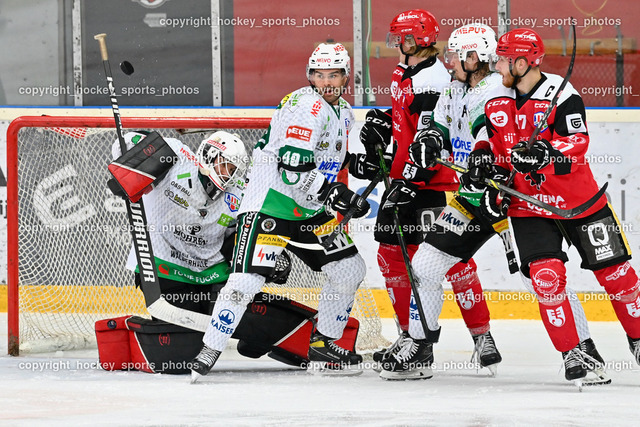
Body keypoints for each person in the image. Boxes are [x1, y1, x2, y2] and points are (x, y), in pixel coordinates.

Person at [409, 27, 639, 385]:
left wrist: (546, 152)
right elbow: (491, 144)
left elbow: (577, 143)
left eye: (502, 59)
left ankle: (638, 341)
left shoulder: (560, 93)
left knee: (620, 280)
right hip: (528, 207)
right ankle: (576, 354)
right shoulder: (495, 96)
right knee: (547, 280)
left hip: (580, 204)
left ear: (523, 61)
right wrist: (486, 165)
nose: (496, 65)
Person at [190, 43, 371, 381]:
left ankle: (323, 343)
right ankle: (210, 348)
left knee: (348, 269)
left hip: (307, 209)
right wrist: (336, 193)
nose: (326, 81)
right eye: (320, 74)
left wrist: (361, 162)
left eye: (334, 74)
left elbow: (326, 155)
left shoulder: (342, 110)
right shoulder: (307, 106)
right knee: (246, 280)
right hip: (271, 204)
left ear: (346, 77)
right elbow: (292, 168)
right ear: (310, 76)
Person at [357, 10, 496, 376]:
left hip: (429, 184)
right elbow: (408, 121)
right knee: (392, 257)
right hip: (406, 178)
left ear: (418, 38)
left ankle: (478, 335)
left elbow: (431, 138)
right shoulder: (405, 71)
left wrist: (412, 181)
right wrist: (383, 122)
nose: (396, 44)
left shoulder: (435, 79)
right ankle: (410, 337)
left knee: (447, 260)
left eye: (401, 37)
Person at [111, 130, 250, 314]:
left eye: (233, 171)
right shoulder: (176, 157)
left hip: (210, 274)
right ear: (210, 153)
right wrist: (129, 169)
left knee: (227, 324)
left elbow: (236, 238)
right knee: (185, 333)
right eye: (225, 166)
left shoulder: (237, 192)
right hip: (164, 265)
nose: (228, 175)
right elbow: (127, 141)